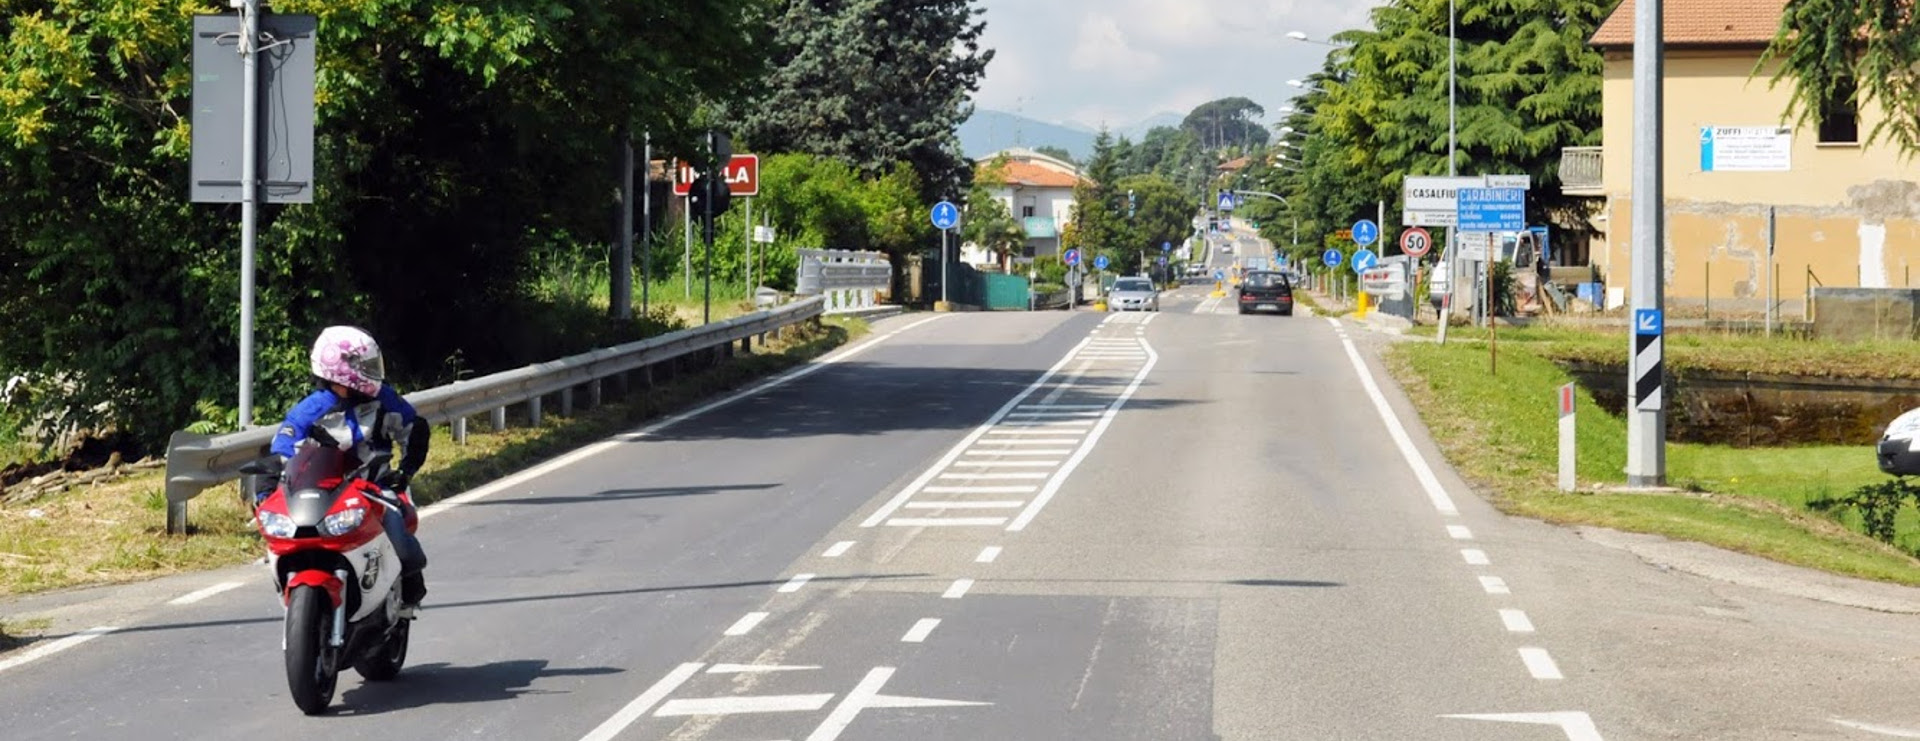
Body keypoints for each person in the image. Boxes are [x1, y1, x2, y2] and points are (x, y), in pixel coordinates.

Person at [268, 326, 430, 609]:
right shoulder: (311, 408)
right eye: (364, 366)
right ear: (340, 367)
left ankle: (410, 590)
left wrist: (404, 472)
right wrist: (275, 478)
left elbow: (414, 429)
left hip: (375, 488)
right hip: (324, 492)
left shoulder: (384, 399)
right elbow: (284, 441)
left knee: (403, 548)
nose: (372, 372)